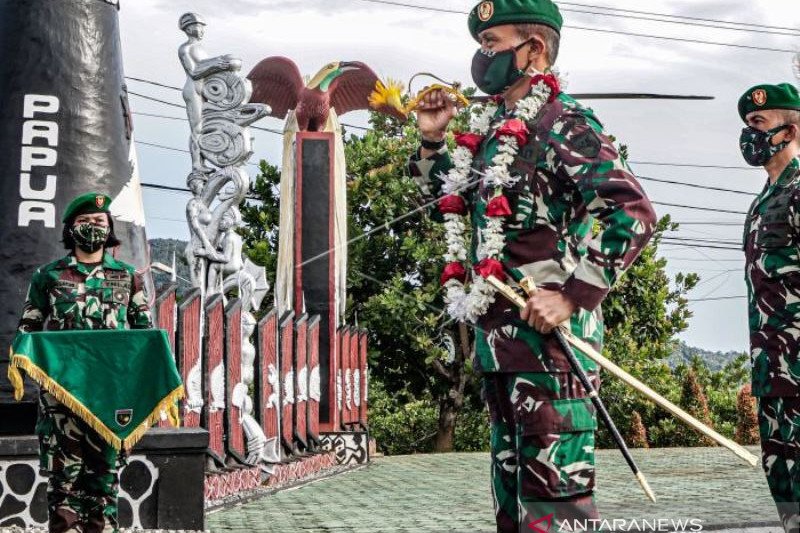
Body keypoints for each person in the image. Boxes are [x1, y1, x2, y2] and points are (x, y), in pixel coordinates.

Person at [407, 0, 657, 530]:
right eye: (481, 46)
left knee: (554, 508)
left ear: (534, 49)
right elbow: (454, 205)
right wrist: (432, 139)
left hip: (553, 352)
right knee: (512, 509)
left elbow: (632, 211)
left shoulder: (564, 123)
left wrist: (571, 296)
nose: (482, 57)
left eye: (492, 44)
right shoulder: (495, 130)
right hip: (499, 346)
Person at [17, 192, 153, 533]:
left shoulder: (128, 277)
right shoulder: (48, 276)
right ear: (70, 228)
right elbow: (28, 331)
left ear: (109, 231)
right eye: (84, 222)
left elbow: (143, 338)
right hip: (62, 397)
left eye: (99, 222)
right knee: (64, 482)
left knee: (104, 480)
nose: (92, 228)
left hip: (110, 397)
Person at [739, 82, 800, 533]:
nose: (749, 134)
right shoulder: (760, 202)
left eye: (758, 122)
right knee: (782, 481)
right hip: (771, 369)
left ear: (791, 128)